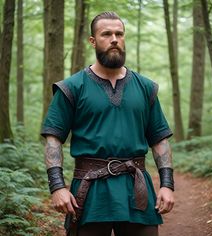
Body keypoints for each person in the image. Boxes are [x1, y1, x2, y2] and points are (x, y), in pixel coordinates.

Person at [41, 11, 174, 236]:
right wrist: (57, 187)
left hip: (136, 189)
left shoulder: (146, 88)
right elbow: (53, 139)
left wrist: (167, 184)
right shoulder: (71, 87)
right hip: (89, 190)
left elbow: (159, 140)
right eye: (106, 34)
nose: (114, 39)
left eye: (119, 34)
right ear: (92, 41)